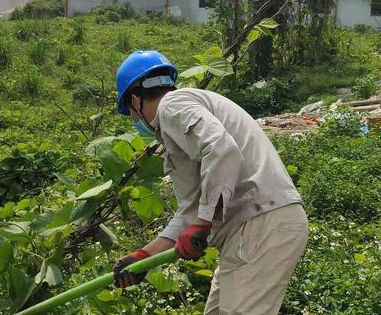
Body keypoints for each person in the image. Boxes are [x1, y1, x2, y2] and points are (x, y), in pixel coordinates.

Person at [113, 50, 308, 315]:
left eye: (132, 115)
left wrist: (202, 224)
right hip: (253, 229)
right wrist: (145, 256)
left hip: (261, 223)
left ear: (135, 101)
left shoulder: (172, 106)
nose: (137, 122)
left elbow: (222, 149)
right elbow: (193, 211)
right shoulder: (184, 116)